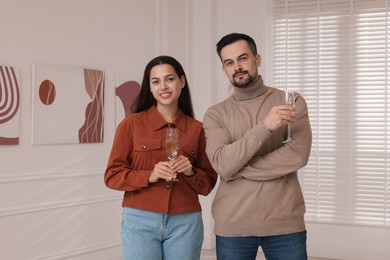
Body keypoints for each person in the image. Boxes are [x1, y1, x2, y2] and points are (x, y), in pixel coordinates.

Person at [203, 33, 312, 260]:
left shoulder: (291, 101)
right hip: (233, 223)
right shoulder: (215, 114)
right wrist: (266, 126)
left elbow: (298, 155)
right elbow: (222, 164)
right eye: (229, 62)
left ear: (257, 59)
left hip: (285, 223)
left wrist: (237, 169)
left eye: (243, 58)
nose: (237, 67)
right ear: (223, 69)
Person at [105, 55, 218, 260]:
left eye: (170, 79)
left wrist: (190, 172)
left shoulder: (197, 129)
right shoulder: (130, 125)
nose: (163, 87)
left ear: (182, 82)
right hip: (139, 221)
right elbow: (112, 176)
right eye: (156, 81)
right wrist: (150, 175)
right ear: (149, 88)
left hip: (186, 223)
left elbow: (208, 184)